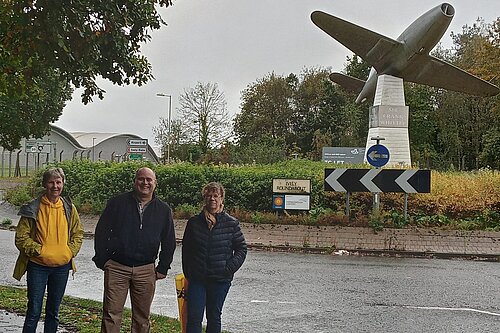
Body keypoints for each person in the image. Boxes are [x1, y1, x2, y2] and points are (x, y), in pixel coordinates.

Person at [92, 167, 176, 333]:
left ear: (155, 184)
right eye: (141, 179)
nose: (145, 183)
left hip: (146, 270)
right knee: (111, 314)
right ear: (134, 182)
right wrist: (103, 260)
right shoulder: (117, 203)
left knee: (141, 318)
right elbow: (101, 231)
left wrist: (163, 267)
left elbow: (169, 241)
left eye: (149, 180)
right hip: (117, 267)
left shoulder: (163, 210)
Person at [13, 167, 84, 333]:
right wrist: (40, 251)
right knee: (34, 311)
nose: (55, 186)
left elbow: (78, 233)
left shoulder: (69, 208)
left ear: (63, 184)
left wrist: (69, 252)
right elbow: (21, 238)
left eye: (58, 182)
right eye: (51, 182)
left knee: (54, 312)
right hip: (38, 267)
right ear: (45, 184)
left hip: (62, 268)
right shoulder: (33, 208)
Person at [182, 182, 247, 333]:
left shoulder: (231, 223)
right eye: (209, 195)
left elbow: (241, 249)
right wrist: (189, 273)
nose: (212, 199)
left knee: (214, 316)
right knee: (194, 317)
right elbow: (187, 250)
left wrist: (228, 268)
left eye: (216, 196)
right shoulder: (194, 223)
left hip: (220, 280)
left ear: (221, 199)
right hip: (198, 279)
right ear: (204, 198)